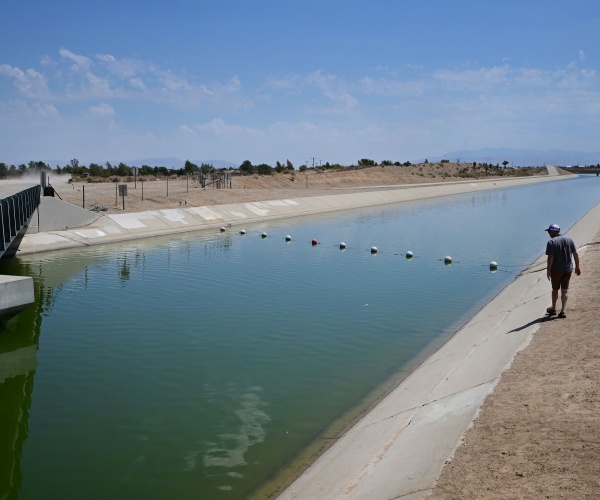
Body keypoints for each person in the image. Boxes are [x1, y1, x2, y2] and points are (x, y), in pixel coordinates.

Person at [544, 223, 581, 318]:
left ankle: (553, 309)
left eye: (549, 231)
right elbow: (575, 254)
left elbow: (550, 257)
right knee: (565, 290)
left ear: (552, 231)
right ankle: (563, 311)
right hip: (568, 269)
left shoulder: (551, 242)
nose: (548, 233)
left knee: (555, 289)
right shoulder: (569, 239)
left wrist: (548, 270)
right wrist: (577, 266)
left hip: (556, 270)